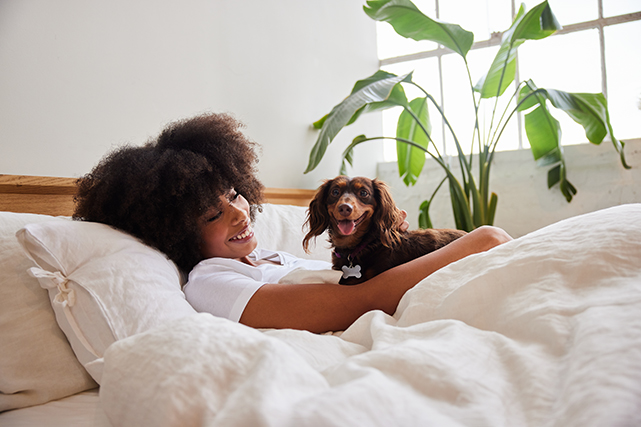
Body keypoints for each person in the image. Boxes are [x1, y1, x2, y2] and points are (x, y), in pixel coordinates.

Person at [74, 113, 512, 334]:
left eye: (234, 195)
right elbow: (357, 302)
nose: (241, 213)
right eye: (213, 214)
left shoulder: (267, 256)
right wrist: (475, 242)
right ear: (176, 232)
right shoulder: (210, 281)